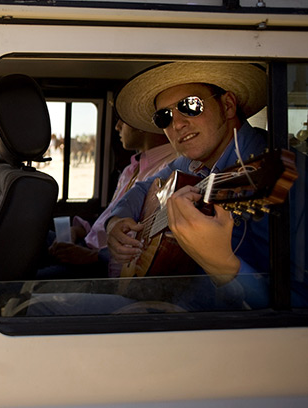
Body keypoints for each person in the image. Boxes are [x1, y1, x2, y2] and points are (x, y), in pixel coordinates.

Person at [106, 61, 271, 308]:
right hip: (171, 304)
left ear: (227, 105)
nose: (177, 124)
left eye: (191, 105)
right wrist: (115, 222)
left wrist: (225, 266)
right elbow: (142, 188)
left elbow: (297, 302)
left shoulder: (278, 173)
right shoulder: (188, 163)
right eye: (165, 117)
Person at [46, 116, 177, 277]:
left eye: (123, 119)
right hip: (87, 246)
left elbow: (150, 243)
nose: (117, 127)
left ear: (141, 123)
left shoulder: (171, 172)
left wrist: (94, 256)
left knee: (30, 286)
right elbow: (110, 216)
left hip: (102, 266)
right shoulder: (132, 168)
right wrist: (79, 230)